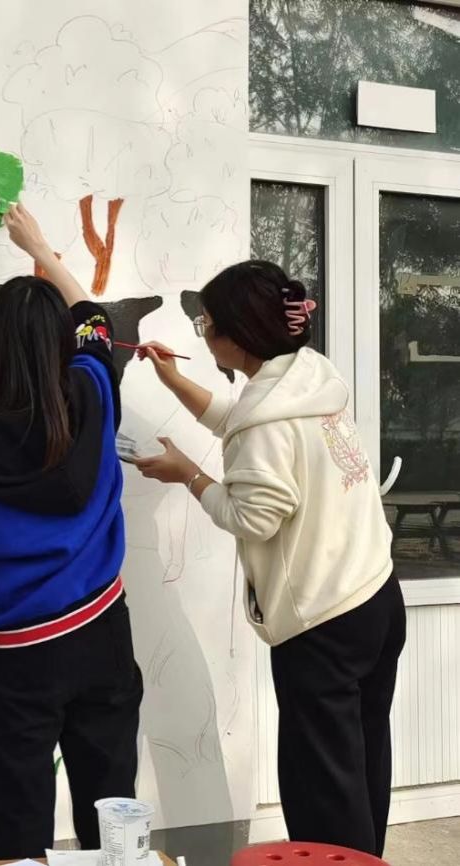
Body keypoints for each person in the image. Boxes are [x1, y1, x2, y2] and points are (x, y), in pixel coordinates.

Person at [134, 260, 404, 857]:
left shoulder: (265, 419)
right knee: (361, 766)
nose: (203, 333)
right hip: (376, 597)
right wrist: (174, 382)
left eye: (206, 323)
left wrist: (189, 474)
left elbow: (252, 516)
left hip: (324, 621)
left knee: (325, 790)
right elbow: (248, 422)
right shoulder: (310, 376)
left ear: (237, 336)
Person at [0, 203, 143, 858]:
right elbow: (95, 321)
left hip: (16, 655)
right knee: (113, 814)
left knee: (18, 826)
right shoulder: (93, 390)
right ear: (60, 346)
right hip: (101, 631)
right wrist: (40, 248)